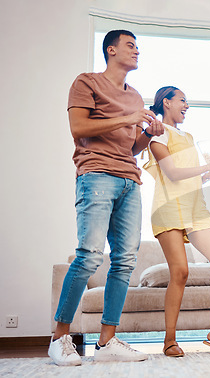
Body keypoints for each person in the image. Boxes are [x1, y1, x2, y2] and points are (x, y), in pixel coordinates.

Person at [49, 30, 165, 366]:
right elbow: (79, 128)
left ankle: (108, 340)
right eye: (131, 45)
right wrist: (128, 118)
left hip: (129, 179)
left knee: (125, 261)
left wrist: (147, 134)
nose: (137, 51)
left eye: (138, 46)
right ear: (110, 50)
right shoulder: (87, 83)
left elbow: (131, 148)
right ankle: (59, 337)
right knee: (88, 256)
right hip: (96, 174)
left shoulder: (137, 97)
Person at [145, 86, 210, 356]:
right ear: (166, 103)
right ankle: (169, 340)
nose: (187, 105)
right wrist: (209, 164)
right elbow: (173, 173)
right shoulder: (156, 133)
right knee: (180, 272)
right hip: (168, 208)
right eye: (182, 100)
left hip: (195, 207)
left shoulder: (187, 136)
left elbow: (196, 178)